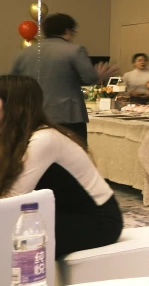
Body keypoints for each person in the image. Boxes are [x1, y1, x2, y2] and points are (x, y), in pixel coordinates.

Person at [0, 75, 123, 258]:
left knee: (12, 232)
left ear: (15, 106)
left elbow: (13, 197)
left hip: (98, 221)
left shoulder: (45, 139)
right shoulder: (14, 138)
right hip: (61, 213)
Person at [10, 13, 99, 145]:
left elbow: (13, 83)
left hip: (33, 115)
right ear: (67, 31)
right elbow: (90, 78)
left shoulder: (25, 53)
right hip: (67, 116)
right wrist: (99, 75)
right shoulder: (75, 51)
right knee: (73, 154)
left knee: (36, 153)